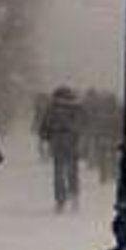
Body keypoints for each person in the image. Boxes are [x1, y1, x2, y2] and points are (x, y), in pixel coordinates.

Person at [39, 85, 84, 213]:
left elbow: (45, 125)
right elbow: (84, 123)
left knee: (58, 172)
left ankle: (60, 200)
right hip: (73, 141)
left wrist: (45, 137)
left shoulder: (52, 108)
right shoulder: (76, 107)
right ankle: (74, 194)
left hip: (57, 142)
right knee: (73, 170)